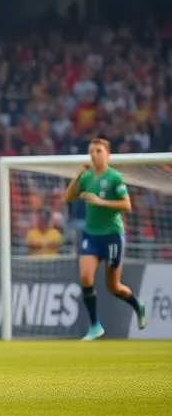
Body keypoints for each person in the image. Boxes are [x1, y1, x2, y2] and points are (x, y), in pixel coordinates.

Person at [64, 137, 146, 340]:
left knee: (113, 287)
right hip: (91, 236)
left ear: (107, 155)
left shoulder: (115, 178)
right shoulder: (87, 177)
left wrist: (100, 201)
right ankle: (95, 326)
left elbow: (127, 205)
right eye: (91, 151)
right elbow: (67, 198)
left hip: (111, 237)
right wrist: (77, 175)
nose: (94, 154)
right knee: (85, 277)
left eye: (98, 151)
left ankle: (137, 304)